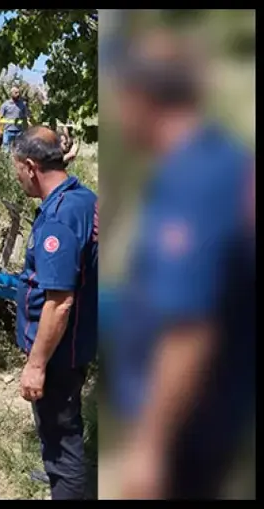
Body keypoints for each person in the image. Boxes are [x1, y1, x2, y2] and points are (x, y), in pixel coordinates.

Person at [106, 30, 255, 500]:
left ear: (141, 98)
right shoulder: (222, 160)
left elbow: (190, 329)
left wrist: (150, 448)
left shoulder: (192, 181)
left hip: (186, 433)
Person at [11, 126, 98, 500]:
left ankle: (66, 482)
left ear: (31, 167)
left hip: (60, 351)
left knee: (63, 437)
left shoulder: (58, 219)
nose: (16, 177)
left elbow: (59, 302)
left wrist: (36, 364)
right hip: (79, 340)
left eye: (16, 169)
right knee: (56, 429)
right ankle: (58, 472)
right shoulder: (83, 198)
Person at [0, 86, 30, 151]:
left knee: (18, 151)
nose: (18, 94)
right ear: (11, 94)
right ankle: (6, 161)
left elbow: (25, 117)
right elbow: (1, 119)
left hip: (19, 131)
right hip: (8, 131)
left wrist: (26, 130)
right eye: (16, 93)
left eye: (19, 93)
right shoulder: (5, 105)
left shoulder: (23, 104)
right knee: (6, 150)